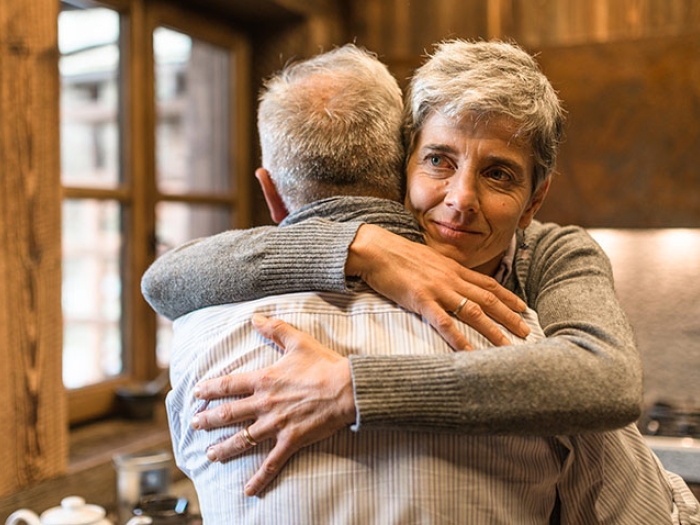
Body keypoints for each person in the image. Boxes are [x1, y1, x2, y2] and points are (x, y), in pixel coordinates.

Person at [143, 41, 700, 522]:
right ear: (401, 164)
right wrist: (358, 247)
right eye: (438, 160)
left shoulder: (550, 254)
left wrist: (354, 387)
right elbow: (167, 278)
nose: (459, 201)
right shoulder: (373, 247)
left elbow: (606, 380)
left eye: (498, 173)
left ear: (535, 200)